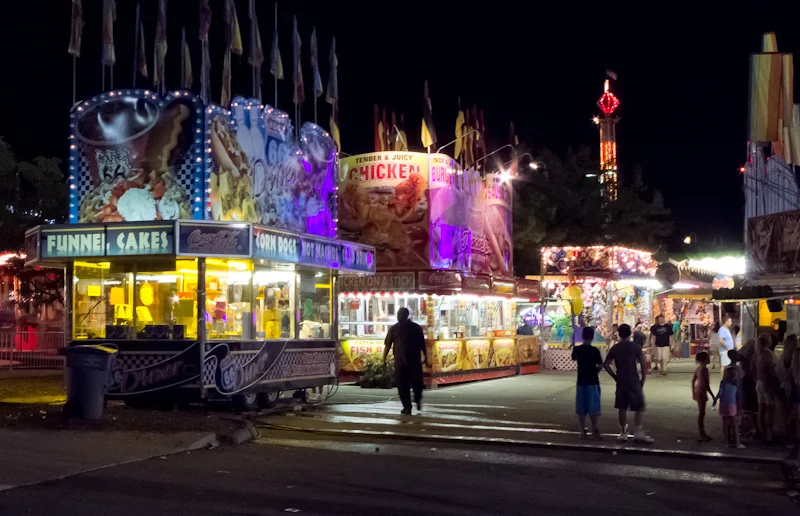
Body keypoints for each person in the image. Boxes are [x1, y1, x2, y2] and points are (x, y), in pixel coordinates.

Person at [604, 324, 654, 443]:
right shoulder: (635, 347)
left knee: (622, 407)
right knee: (639, 406)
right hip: (633, 379)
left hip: (621, 379)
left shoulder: (615, 348)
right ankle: (638, 431)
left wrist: (615, 376)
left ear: (619, 334)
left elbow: (606, 364)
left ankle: (623, 432)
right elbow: (642, 363)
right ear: (630, 334)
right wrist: (643, 378)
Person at [384, 307, 427, 415]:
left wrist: (426, 357)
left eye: (401, 315)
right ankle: (407, 406)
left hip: (414, 361)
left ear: (406, 315)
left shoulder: (416, 328)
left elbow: (422, 345)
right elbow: (388, 345)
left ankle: (417, 398)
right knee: (403, 386)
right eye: (398, 315)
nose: (399, 317)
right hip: (401, 362)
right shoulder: (394, 329)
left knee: (417, 384)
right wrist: (383, 358)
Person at [572, 326, 603, 440]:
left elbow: (573, 357)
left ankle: (582, 430)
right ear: (592, 336)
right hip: (593, 380)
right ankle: (595, 429)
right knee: (593, 407)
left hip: (581, 380)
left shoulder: (577, 349)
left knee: (581, 407)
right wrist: (595, 372)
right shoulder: (595, 350)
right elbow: (600, 365)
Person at [755, 333, 780, 442]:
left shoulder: (758, 354)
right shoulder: (768, 354)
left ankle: (762, 433)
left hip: (759, 383)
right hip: (767, 384)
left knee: (761, 409)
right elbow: (772, 371)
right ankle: (769, 435)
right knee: (770, 409)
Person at [715, 366, 744, 448]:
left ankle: (726, 443)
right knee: (734, 424)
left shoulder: (723, 382)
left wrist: (715, 399)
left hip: (723, 404)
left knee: (725, 424)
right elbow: (738, 397)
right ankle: (737, 443)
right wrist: (740, 408)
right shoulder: (736, 384)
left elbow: (720, 393)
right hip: (731, 404)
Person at [692, 351, 715, 442]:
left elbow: (693, 381)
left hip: (698, 391)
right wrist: (713, 396)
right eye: (708, 358)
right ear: (705, 359)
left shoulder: (698, 368)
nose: (709, 359)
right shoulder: (705, 369)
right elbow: (706, 384)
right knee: (702, 414)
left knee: (701, 414)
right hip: (702, 392)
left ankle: (703, 434)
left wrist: (693, 392)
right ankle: (702, 434)